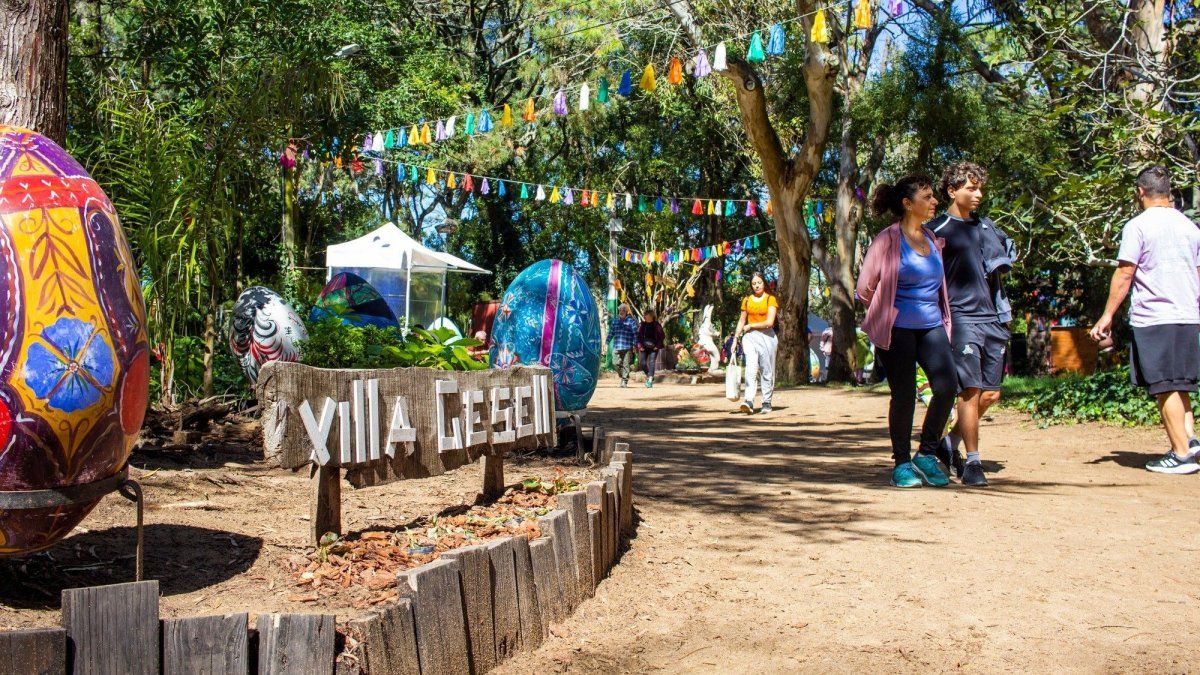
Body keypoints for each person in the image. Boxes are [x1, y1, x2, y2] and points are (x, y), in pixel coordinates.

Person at [1091, 165, 1200, 474]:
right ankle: (1190, 441)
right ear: (1168, 191)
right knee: (1182, 383)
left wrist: (1107, 314)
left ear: (1140, 192)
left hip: (1155, 316)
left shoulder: (1138, 226)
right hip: (1188, 315)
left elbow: (1125, 272)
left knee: (1164, 385)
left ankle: (1180, 455)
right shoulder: (1190, 227)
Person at [857, 175, 957, 488]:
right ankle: (901, 463)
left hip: (931, 325)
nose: (934, 202)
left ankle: (926, 454)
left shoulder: (932, 239)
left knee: (947, 386)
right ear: (907, 203)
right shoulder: (886, 240)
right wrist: (886, 308)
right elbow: (864, 289)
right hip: (895, 328)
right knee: (904, 395)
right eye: (927, 197)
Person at [927, 161, 1013, 487]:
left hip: (992, 317)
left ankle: (947, 445)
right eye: (971, 188)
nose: (978, 194)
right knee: (970, 389)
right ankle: (974, 462)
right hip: (959, 319)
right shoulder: (936, 230)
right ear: (952, 190)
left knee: (990, 395)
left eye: (980, 188)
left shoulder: (987, 228)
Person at [734, 272, 779, 414]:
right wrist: (735, 339)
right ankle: (749, 400)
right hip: (750, 337)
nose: (756, 285)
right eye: (754, 283)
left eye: (759, 282)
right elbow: (742, 321)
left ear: (764, 283)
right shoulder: (747, 300)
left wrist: (751, 325)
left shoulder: (770, 299)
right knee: (751, 368)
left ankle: (766, 402)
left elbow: (769, 322)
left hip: (767, 338)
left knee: (767, 370)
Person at [608, 303, 638, 388]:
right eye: (620, 310)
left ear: (626, 311)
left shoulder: (631, 321)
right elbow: (611, 332)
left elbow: (635, 333)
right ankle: (623, 375)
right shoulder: (615, 321)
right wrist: (607, 342)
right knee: (615, 363)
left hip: (627, 347)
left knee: (626, 364)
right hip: (617, 346)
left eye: (623, 310)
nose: (621, 312)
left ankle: (624, 381)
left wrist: (635, 345)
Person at [637, 309, 665, 388]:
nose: (645, 316)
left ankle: (649, 380)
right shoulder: (642, 325)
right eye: (644, 315)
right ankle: (650, 376)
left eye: (646, 315)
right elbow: (638, 336)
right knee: (642, 363)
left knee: (652, 362)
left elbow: (662, 336)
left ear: (651, 316)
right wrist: (640, 346)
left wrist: (657, 346)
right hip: (644, 347)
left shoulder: (656, 325)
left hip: (654, 347)